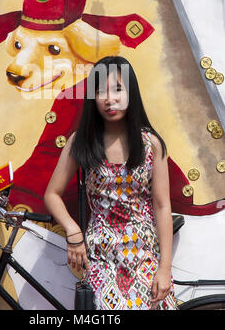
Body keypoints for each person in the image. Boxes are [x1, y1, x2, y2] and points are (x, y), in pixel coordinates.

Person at [44, 55, 178, 310]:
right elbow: (52, 193)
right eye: (100, 91)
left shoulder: (151, 144)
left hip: (145, 256)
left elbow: (162, 206)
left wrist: (165, 268)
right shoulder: (80, 141)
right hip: (101, 257)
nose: (109, 99)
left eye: (118, 89)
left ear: (131, 93)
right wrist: (73, 232)